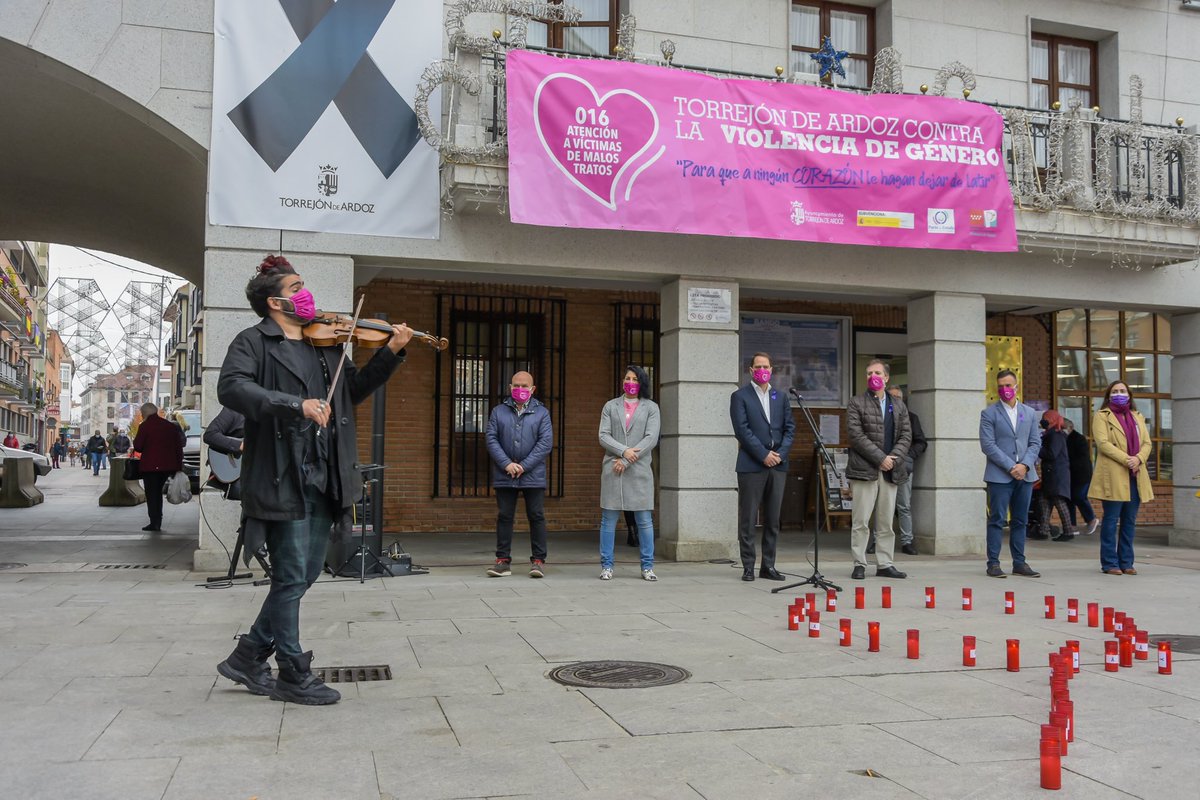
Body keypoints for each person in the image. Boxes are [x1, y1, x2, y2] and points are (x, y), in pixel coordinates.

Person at [215, 254, 411, 706]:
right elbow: (231, 387)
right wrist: (293, 403)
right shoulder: (253, 342)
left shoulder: (323, 344)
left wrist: (390, 352)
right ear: (275, 302)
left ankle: (247, 656)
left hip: (326, 474)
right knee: (289, 576)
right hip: (283, 473)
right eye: (297, 286)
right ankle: (291, 672)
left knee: (302, 573)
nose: (308, 294)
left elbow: (352, 391)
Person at [729, 352, 795, 582]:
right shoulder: (740, 396)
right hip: (751, 465)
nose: (762, 370)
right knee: (748, 519)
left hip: (777, 466)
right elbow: (742, 430)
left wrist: (779, 455)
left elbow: (789, 429)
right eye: (757, 366)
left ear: (772, 369)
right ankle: (748, 566)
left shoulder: (781, 397)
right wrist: (763, 455)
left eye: (765, 366)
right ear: (750, 370)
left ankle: (769, 565)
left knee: (773, 519)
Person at [484, 370, 553, 578]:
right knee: (505, 516)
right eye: (516, 385)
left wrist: (523, 465)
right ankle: (502, 561)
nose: (520, 389)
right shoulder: (498, 411)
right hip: (504, 474)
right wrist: (506, 463)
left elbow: (545, 443)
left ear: (532, 389)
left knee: (536, 515)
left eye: (524, 386)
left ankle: (538, 561)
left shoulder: (542, 413)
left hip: (533, 475)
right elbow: (491, 439)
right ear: (510, 388)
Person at [846, 360, 911, 580]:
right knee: (861, 520)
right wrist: (880, 458)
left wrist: (893, 458)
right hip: (865, 469)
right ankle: (859, 563)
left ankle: (885, 563)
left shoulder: (899, 405)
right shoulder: (856, 403)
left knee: (886, 521)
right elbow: (856, 436)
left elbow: (906, 435)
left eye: (876, 372)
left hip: (890, 470)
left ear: (886, 378)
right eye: (868, 372)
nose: (872, 376)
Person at [597, 365, 661, 581]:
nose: (630, 382)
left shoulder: (651, 408)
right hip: (612, 469)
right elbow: (603, 436)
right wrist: (623, 450)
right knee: (608, 520)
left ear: (641, 382)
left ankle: (647, 566)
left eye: (635, 379)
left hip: (639, 470)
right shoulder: (610, 406)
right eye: (627, 378)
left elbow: (650, 439)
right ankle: (606, 566)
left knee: (644, 520)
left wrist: (625, 459)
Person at [979, 370, 1042, 579]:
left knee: (1020, 520)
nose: (1005, 389)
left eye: (1008, 385)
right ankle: (994, 563)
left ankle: (1019, 562)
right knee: (997, 519)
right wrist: (1011, 466)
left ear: (1016, 387)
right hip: (1000, 476)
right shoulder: (989, 414)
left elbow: (1035, 442)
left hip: (1025, 475)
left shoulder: (1029, 413)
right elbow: (988, 445)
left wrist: (1024, 464)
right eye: (1001, 386)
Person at [1089, 381, 1154, 576]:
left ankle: (1127, 562)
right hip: (1115, 474)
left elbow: (1147, 443)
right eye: (1115, 391)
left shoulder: (1137, 417)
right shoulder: (1102, 416)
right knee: (1110, 520)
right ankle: (1109, 563)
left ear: (1129, 394)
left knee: (1129, 520)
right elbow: (1103, 443)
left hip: (1135, 475)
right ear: (1109, 396)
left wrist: (1138, 459)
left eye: (1123, 391)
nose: (1119, 394)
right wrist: (1127, 460)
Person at [132, 403, 184, 532]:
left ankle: (155, 522)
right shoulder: (170, 426)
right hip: (168, 466)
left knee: (152, 494)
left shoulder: (145, 426)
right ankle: (157, 521)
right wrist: (178, 465)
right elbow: (179, 447)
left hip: (150, 467)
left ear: (144, 414)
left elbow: (138, 446)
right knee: (158, 492)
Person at [1034, 410, 1075, 542]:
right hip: (1052, 474)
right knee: (1044, 500)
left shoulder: (1056, 435)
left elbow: (1051, 454)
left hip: (1056, 475)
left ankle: (1068, 531)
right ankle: (1043, 530)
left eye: (1046, 418)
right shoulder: (1051, 434)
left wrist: (1037, 448)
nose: (1043, 421)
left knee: (1058, 500)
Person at [1064, 419, 1098, 535]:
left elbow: (1082, 459)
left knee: (1079, 497)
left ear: (1071, 427)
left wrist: (1068, 463)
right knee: (1070, 499)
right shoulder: (1064, 438)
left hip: (1082, 474)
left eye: (1064, 427)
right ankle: (1072, 525)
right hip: (1070, 475)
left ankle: (1091, 519)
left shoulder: (1078, 439)